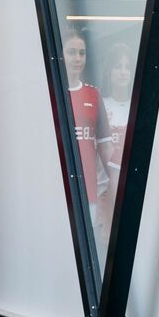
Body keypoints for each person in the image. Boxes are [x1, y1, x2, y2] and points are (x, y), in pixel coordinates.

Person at [62, 29, 114, 209]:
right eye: (71, 52)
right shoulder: (50, 94)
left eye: (81, 53)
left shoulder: (93, 94)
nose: (77, 58)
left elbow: (105, 146)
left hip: (88, 194)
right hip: (57, 192)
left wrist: (119, 181)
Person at [99, 40, 135, 237]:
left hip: (132, 194)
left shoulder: (138, 108)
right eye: (118, 66)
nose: (123, 72)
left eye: (127, 67)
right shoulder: (100, 106)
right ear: (109, 72)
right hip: (104, 197)